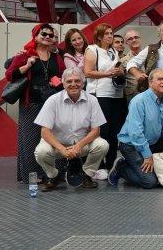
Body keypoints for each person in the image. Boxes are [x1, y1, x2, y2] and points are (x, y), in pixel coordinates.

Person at [5, 23, 65, 183]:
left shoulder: (57, 58)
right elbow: (10, 75)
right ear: (35, 36)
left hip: (52, 103)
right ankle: (32, 175)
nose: (47, 37)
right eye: (43, 34)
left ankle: (53, 173)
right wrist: (27, 65)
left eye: (51, 35)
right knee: (30, 139)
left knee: (54, 137)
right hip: (30, 102)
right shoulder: (25, 55)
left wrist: (57, 81)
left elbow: (63, 76)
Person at [34, 67, 109, 191]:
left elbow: (96, 130)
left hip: (82, 144)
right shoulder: (52, 100)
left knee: (102, 145)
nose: (73, 84)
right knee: (41, 152)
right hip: (57, 144)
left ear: (83, 83)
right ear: (63, 83)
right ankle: (54, 176)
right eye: (69, 81)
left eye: (77, 81)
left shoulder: (92, 100)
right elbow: (44, 131)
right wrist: (62, 149)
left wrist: (79, 146)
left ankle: (87, 175)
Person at [109, 69, 163, 188]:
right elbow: (135, 133)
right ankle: (121, 167)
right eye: (160, 79)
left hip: (153, 142)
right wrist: (147, 156)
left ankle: (153, 168)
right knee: (150, 182)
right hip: (132, 145)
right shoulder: (138, 101)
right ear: (150, 82)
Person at [83, 23, 126, 177]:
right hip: (99, 95)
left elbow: (116, 70)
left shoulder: (114, 51)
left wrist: (119, 71)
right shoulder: (92, 49)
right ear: (100, 36)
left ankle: (111, 164)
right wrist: (108, 74)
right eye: (107, 33)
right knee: (103, 131)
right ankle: (98, 166)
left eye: (111, 33)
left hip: (116, 94)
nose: (110, 36)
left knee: (115, 132)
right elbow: (87, 72)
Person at [120, 29, 143, 102]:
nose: (134, 40)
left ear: (140, 39)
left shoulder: (150, 56)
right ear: (126, 43)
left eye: (136, 37)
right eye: (130, 39)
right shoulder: (122, 61)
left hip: (151, 92)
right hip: (133, 96)